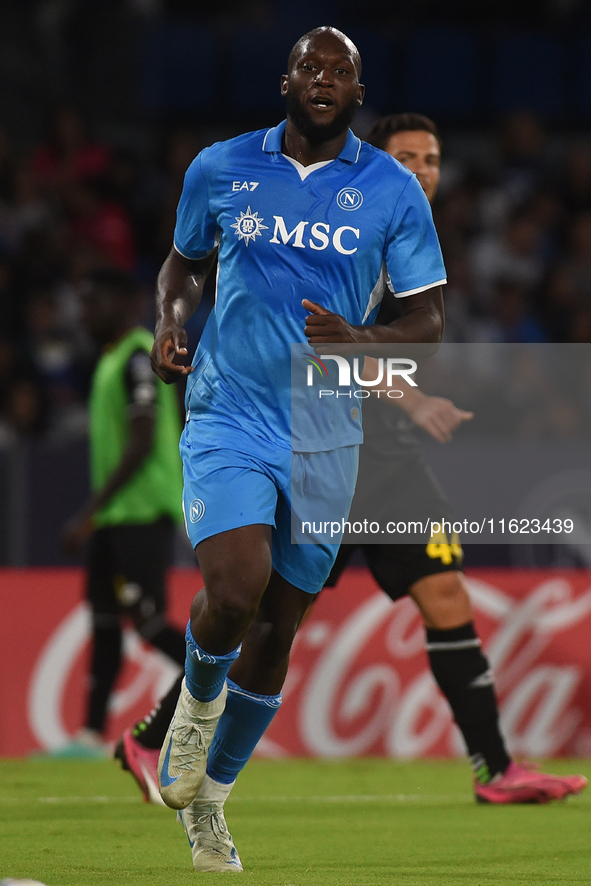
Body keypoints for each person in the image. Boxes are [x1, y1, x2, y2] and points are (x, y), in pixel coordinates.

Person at [116, 111, 587, 827]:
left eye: (431, 160)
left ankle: (494, 766)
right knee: (264, 615)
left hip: (381, 455)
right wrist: (410, 393)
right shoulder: (344, 220)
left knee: (444, 596)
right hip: (316, 441)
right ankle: (156, 735)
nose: (422, 172)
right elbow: (320, 344)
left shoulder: (407, 238)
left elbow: (388, 341)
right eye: (408, 158)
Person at [145, 26, 445, 872]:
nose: (323, 78)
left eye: (339, 71)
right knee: (233, 594)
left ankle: (211, 803)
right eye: (310, 66)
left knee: (279, 629)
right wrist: (170, 323)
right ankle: (191, 723)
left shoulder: (391, 190)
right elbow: (182, 267)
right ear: (285, 82)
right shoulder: (219, 167)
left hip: (324, 432)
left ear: (357, 93)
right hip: (229, 411)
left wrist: (360, 336)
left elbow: (427, 319)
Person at [60, 266, 186, 754]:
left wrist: (89, 510)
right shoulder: (112, 359)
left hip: (139, 513)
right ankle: (91, 735)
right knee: (105, 623)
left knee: (149, 622)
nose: (85, 313)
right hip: (116, 518)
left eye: (94, 302)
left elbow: (140, 441)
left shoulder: (137, 355)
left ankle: (221, 684)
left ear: (120, 303)